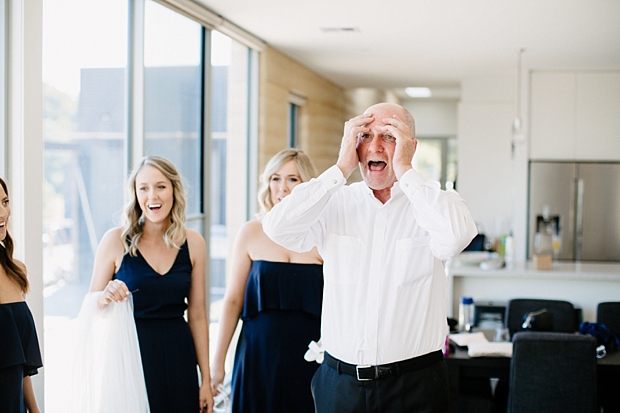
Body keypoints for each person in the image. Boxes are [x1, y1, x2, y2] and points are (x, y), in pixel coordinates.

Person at [263, 103, 478, 412]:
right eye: (365, 135)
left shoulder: (434, 204)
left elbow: (457, 236)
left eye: (389, 136)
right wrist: (339, 168)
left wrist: (404, 170)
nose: (375, 146)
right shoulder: (336, 202)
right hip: (341, 387)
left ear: (410, 146)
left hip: (416, 387)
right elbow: (277, 227)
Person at [89, 156, 213, 413]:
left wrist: (206, 381)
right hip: (131, 357)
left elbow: (198, 315)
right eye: (143, 187)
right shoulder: (115, 241)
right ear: (135, 194)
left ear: (174, 190)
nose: (152, 196)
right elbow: (92, 306)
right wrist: (104, 295)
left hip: (180, 358)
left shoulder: (194, 243)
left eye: (160, 186)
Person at [210, 148, 324, 413]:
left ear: (307, 184)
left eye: (292, 179)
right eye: (275, 178)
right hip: (257, 355)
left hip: (310, 356)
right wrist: (217, 365)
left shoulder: (322, 235)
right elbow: (233, 301)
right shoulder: (251, 232)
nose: (282, 187)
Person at [0, 177, 43, 413]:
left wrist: (35, 410)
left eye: (5, 201)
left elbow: (19, 364)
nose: (3, 212)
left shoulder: (16, 270)